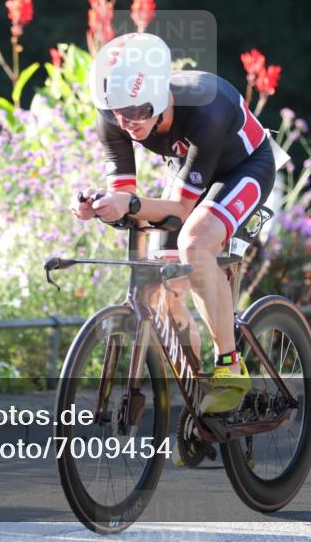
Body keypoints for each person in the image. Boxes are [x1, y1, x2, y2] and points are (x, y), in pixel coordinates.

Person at [71, 32, 277, 414]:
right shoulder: (115, 115)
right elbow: (127, 198)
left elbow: (180, 211)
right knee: (163, 286)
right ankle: (202, 401)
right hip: (190, 169)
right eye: (115, 111)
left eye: (135, 111)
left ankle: (230, 365)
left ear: (160, 93)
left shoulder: (207, 106)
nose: (125, 122)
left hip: (243, 169)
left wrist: (129, 202)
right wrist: (98, 205)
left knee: (194, 243)